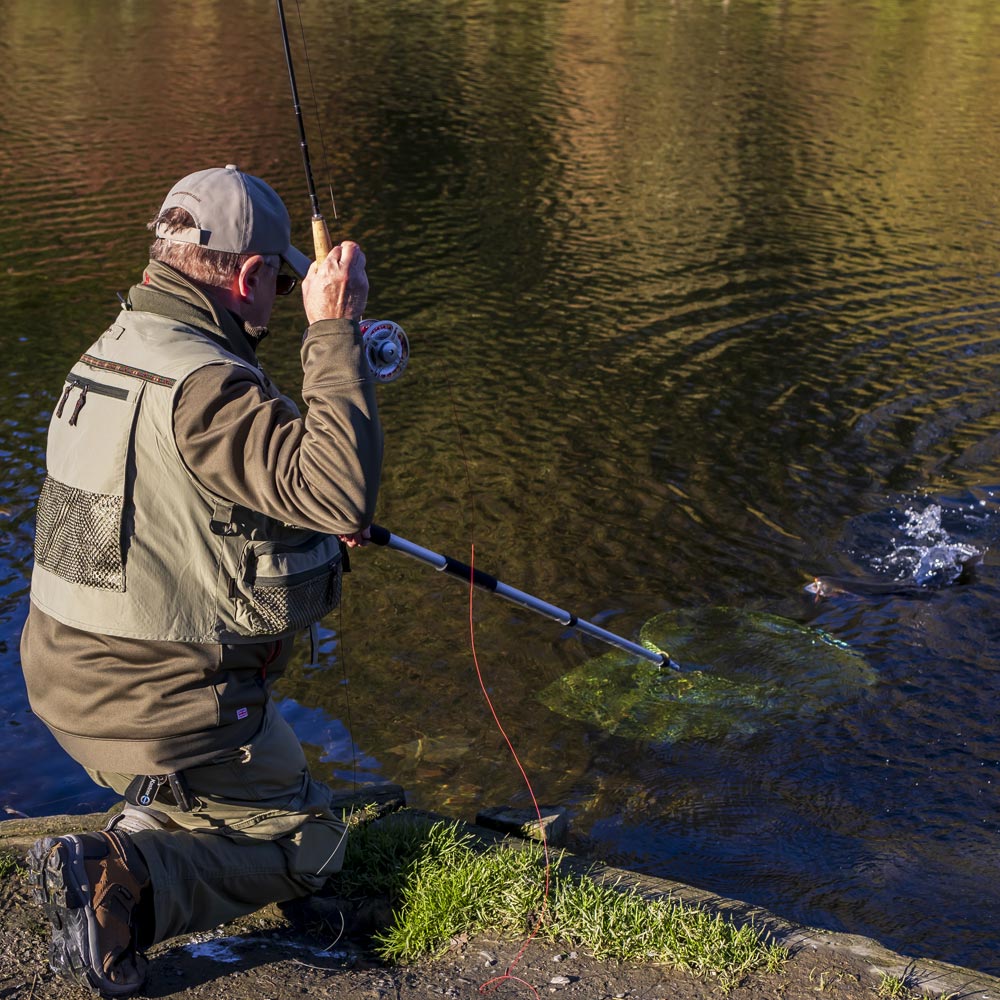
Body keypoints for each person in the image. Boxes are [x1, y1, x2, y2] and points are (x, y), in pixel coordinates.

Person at [19, 164, 383, 997]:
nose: (282, 299)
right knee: (311, 842)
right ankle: (126, 880)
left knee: (266, 775)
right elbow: (339, 493)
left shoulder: (112, 349)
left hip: (64, 680)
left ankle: (151, 814)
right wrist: (333, 332)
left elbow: (173, 515)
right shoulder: (208, 384)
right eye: (281, 284)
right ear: (249, 276)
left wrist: (304, 524)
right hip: (152, 706)